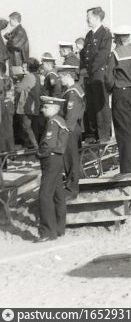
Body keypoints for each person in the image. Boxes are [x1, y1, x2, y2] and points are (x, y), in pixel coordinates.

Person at [105, 26, 131, 173]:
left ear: (118, 38)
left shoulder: (115, 54)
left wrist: (111, 89)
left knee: (123, 133)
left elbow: (108, 78)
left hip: (121, 93)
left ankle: (128, 169)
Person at [35, 95, 70, 242]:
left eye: (46, 107)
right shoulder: (60, 121)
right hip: (57, 159)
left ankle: (47, 231)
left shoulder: (52, 122)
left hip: (50, 159)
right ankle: (59, 228)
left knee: (45, 195)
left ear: (55, 108)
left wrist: (38, 153)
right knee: (58, 194)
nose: (43, 110)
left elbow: (48, 144)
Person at [80, 7, 113, 143]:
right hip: (89, 76)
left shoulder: (105, 34)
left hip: (98, 74)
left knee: (101, 106)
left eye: (89, 17)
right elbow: (84, 53)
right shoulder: (89, 35)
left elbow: (102, 55)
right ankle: (94, 134)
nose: (87, 20)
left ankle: (103, 135)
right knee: (91, 106)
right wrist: (82, 68)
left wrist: (90, 70)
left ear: (97, 18)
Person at [57, 64, 84, 199]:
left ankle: (72, 189)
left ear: (67, 76)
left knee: (70, 159)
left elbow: (71, 115)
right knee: (72, 158)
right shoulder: (75, 90)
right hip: (74, 128)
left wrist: (65, 130)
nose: (59, 80)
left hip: (70, 129)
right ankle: (73, 184)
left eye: (61, 77)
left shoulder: (72, 93)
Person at [14, 59, 41, 149]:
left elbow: (18, 89)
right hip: (34, 106)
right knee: (32, 127)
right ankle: (31, 144)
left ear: (29, 67)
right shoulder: (36, 76)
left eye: (24, 67)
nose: (23, 69)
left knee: (26, 126)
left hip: (28, 106)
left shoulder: (28, 77)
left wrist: (17, 81)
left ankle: (35, 146)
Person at [0, 61, 14, 152]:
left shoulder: (2, 80)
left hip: (3, 105)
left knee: (2, 129)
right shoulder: (9, 79)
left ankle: (3, 150)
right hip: (10, 105)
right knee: (9, 128)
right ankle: (11, 151)